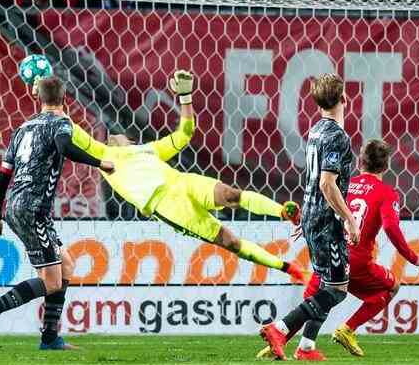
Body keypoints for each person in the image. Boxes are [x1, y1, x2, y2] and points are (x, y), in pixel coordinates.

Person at [72, 70, 307, 281]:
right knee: (231, 242)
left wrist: (185, 98)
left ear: (130, 140)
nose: (110, 137)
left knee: (231, 195)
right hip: (168, 208)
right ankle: (289, 268)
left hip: (183, 182)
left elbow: (184, 133)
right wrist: (54, 109)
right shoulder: (105, 157)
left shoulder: (148, 150)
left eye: (115, 135)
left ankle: (284, 212)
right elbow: (78, 135)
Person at [0, 76, 114, 351]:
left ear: (39, 98)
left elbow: (3, 176)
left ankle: (49, 337)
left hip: (19, 206)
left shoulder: (23, 128)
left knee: (66, 264)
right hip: (32, 209)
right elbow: (64, 147)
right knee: (51, 280)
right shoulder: (61, 124)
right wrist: (99, 163)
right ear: (64, 97)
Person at [256, 139, 419, 358]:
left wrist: (307, 225)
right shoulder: (386, 193)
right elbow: (391, 227)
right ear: (386, 167)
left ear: (359, 162)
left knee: (319, 296)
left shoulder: (343, 185)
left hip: (328, 252)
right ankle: (346, 329)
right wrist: (413, 258)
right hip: (356, 262)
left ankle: (302, 346)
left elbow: (321, 207)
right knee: (392, 286)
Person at [259, 73, 356, 361]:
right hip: (327, 220)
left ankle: (306, 347)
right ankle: (280, 327)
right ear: (344, 98)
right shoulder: (337, 136)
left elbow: (312, 179)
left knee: (328, 283)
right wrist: (349, 219)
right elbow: (327, 183)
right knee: (337, 290)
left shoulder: (315, 131)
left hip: (315, 215)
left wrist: (308, 215)